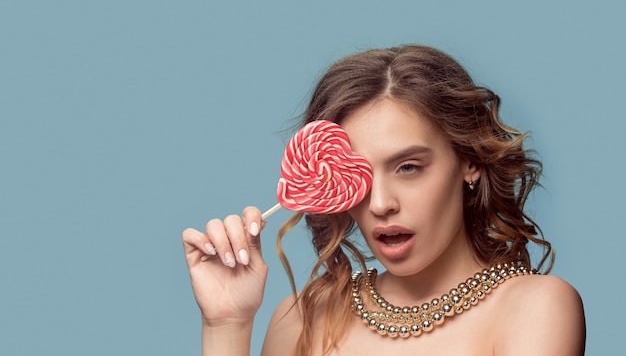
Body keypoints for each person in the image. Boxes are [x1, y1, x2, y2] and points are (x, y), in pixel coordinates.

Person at [182, 45, 586, 356]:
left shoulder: (536, 308)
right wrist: (227, 327)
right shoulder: (299, 318)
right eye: (356, 174)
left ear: (470, 162)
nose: (380, 203)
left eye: (408, 167)